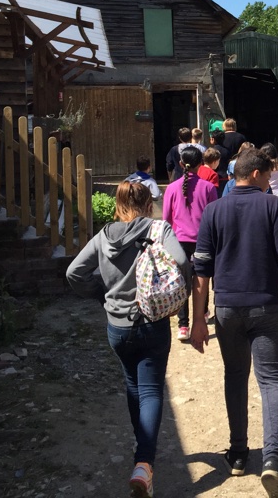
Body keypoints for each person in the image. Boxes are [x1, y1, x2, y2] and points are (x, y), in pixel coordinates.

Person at [189, 148, 278, 498]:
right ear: (255, 174)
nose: (271, 180)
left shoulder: (213, 211)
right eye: (268, 175)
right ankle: (272, 461)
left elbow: (201, 268)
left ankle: (239, 453)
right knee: (272, 382)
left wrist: (199, 318)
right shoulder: (271, 206)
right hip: (268, 306)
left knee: (235, 376)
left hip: (227, 308)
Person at [66, 181, 191, 498]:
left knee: (133, 386)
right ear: (149, 204)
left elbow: (73, 273)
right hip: (151, 322)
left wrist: (102, 296)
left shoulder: (104, 236)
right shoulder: (158, 229)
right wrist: (174, 293)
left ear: (118, 205)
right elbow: (181, 261)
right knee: (150, 390)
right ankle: (144, 462)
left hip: (116, 328)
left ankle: (142, 451)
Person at [162, 146, 217, 342]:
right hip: (203, 241)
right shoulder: (209, 188)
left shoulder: (171, 188)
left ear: (180, 164)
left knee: (181, 282)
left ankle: (183, 325)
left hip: (178, 242)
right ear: (201, 164)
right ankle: (201, 316)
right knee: (202, 280)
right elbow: (213, 218)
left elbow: (166, 219)